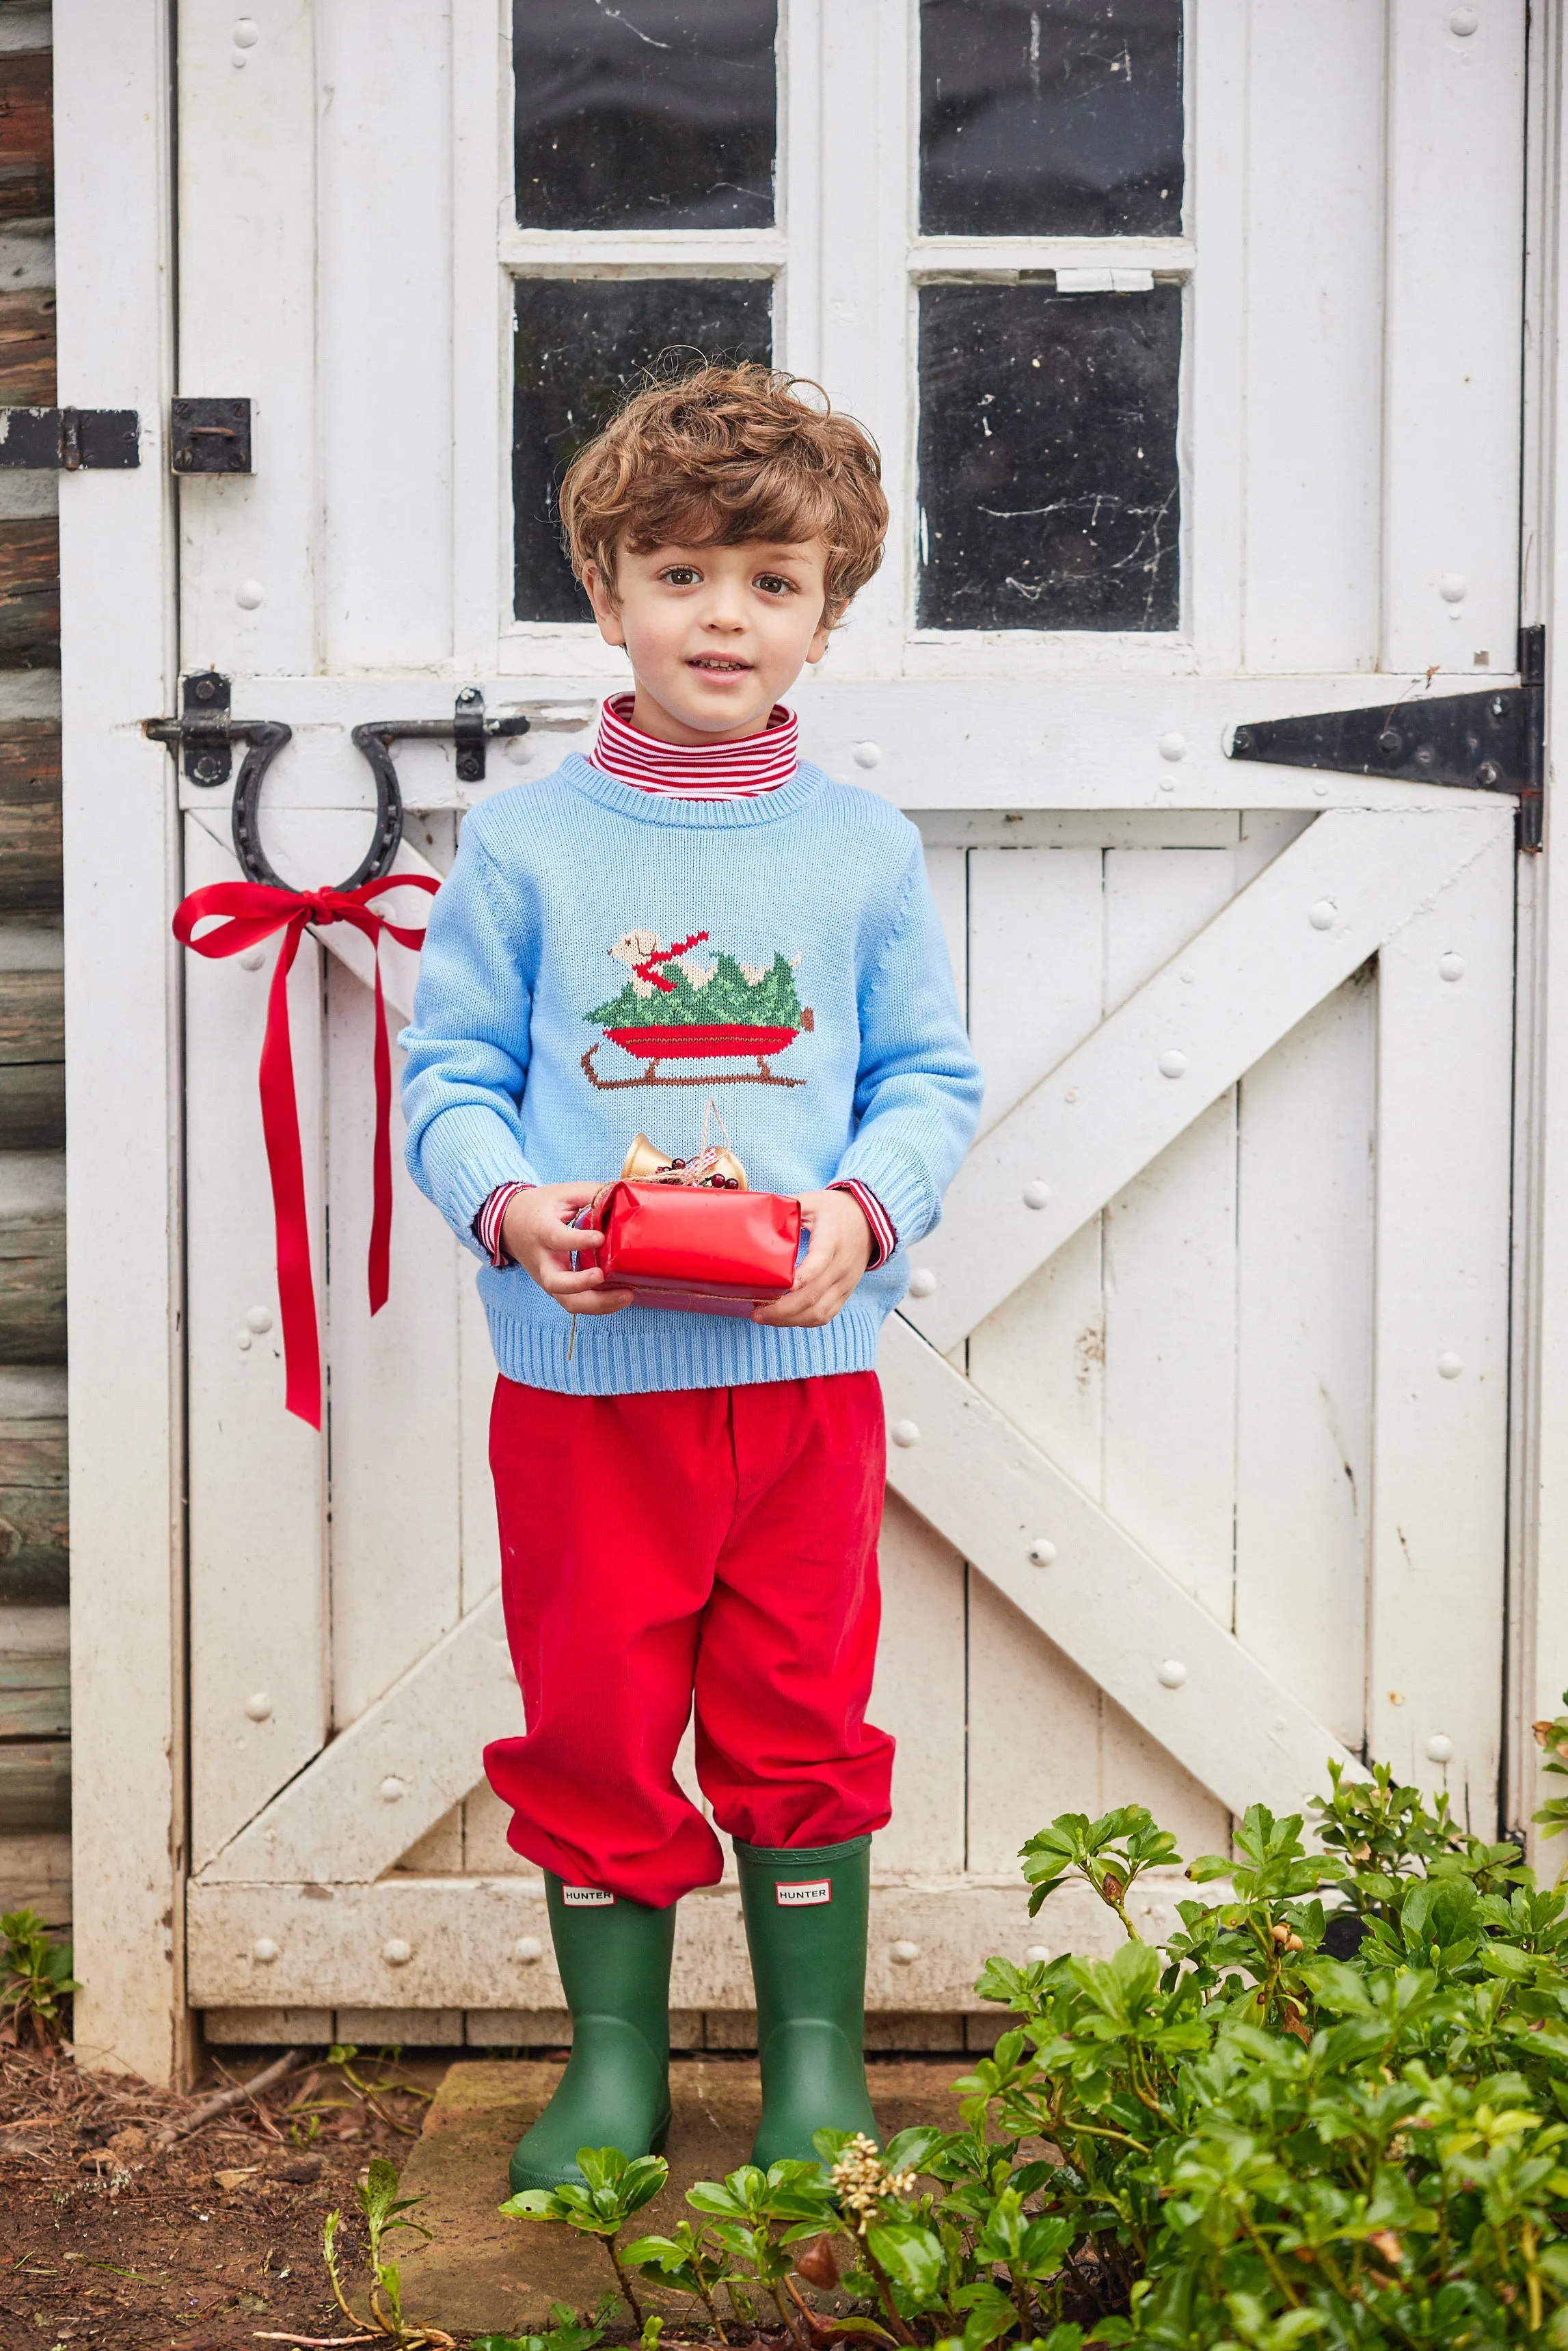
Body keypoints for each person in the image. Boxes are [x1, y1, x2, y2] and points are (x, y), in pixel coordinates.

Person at [400, 364, 983, 2192]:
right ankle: (612, 2063)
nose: (720, 614)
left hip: (799, 1388)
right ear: (603, 588)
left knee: (799, 1710)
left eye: (769, 580)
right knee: (586, 1710)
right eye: (677, 573)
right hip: (581, 1391)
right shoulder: (523, 844)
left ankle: (814, 2055)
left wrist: (857, 1218)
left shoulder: (856, 850)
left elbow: (926, 1080)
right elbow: (449, 1080)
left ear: (824, 609)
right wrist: (514, 1214)